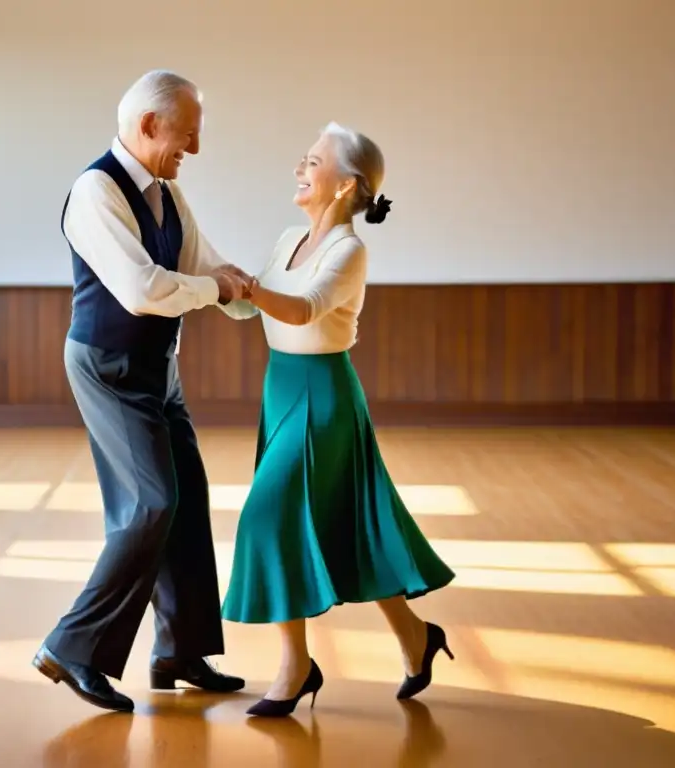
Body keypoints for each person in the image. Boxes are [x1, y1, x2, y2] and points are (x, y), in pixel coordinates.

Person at [219, 122, 457, 717]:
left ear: (347, 185)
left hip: (324, 397)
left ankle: (296, 667)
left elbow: (303, 309)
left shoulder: (349, 250)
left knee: (268, 517)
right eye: (303, 158)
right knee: (339, 528)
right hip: (282, 389)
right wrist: (212, 284)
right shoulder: (287, 239)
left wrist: (246, 287)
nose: (300, 168)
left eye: (313, 161)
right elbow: (256, 307)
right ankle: (415, 637)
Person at [32, 70, 249, 713]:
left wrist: (265, 295)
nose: (195, 149)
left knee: (187, 496)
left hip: (160, 368)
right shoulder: (94, 190)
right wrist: (219, 291)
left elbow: (207, 267)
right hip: (110, 366)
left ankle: (178, 650)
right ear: (149, 124)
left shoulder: (167, 193)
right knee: (151, 504)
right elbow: (143, 289)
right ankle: (72, 649)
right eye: (188, 134)